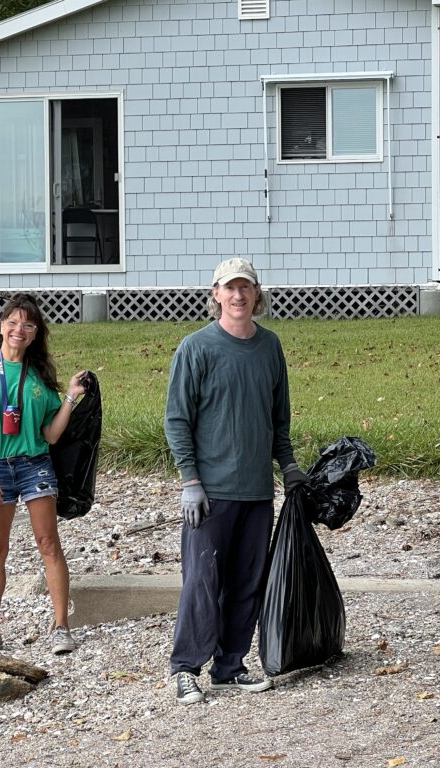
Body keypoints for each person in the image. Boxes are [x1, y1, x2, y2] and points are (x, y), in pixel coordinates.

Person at [164, 257, 305, 704]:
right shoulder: (197, 348)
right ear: (216, 296)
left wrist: (290, 468)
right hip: (210, 492)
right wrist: (190, 480)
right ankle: (185, 667)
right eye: (230, 289)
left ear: (257, 295)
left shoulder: (269, 347)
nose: (239, 296)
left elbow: (277, 420)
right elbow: (177, 419)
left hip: (257, 491)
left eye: (246, 288)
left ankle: (229, 666)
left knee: (247, 582)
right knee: (201, 583)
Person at [0, 293, 88, 656]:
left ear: (35, 333)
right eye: (13, 322)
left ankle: (61, 627)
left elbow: (51, 435)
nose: (19, 329)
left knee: (48, 544)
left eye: (28, 325)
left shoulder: (40, 377)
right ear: (2, 326)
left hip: (34, 465)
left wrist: (71, 397)